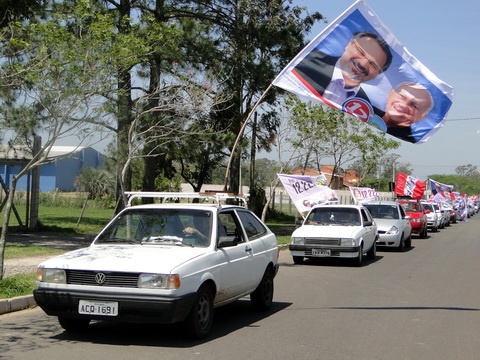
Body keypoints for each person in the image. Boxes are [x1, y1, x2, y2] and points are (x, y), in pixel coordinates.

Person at [293, 31, 393, 105]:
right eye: (361, 52)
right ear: (349, 44)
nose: (363, 64)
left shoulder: (367, 107)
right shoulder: (305, 62)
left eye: (373, 64)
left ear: (377, 74)